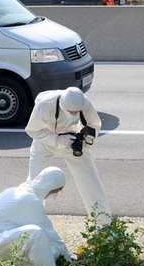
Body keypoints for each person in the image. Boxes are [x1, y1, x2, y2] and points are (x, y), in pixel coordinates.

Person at [25, 87, 112, 226]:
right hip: (45, 140)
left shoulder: (85, 103)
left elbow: (94, 124)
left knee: (90, 179)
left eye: (76, 112)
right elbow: (31, 130)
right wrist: (56, 139)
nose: (73, 113)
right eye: (70, 111)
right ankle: (31, 224)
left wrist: (86, 142)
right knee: (35, 181)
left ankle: (103, 224)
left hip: (72, 138)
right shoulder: (45, 104)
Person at [0, 166, 71, 266]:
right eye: (56, 191)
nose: (55, 195)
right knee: (36, 234)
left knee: (52, 252)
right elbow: (53, 237)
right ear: (51, 186)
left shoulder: (18, 191)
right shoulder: (30, 200)